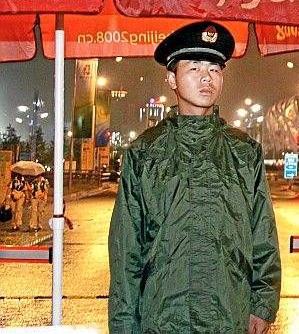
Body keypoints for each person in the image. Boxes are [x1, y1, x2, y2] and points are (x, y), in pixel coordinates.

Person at [108, 21, 281, 334]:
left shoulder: (244, 152)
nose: (207, 77)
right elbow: (126, 248)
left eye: (215, 69)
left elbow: (263, 233)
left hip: (229, 314)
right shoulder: (145, 153)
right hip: (163, 319)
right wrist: (123, 324)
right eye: (194, 67)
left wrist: (263, 303)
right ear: (171, 79)